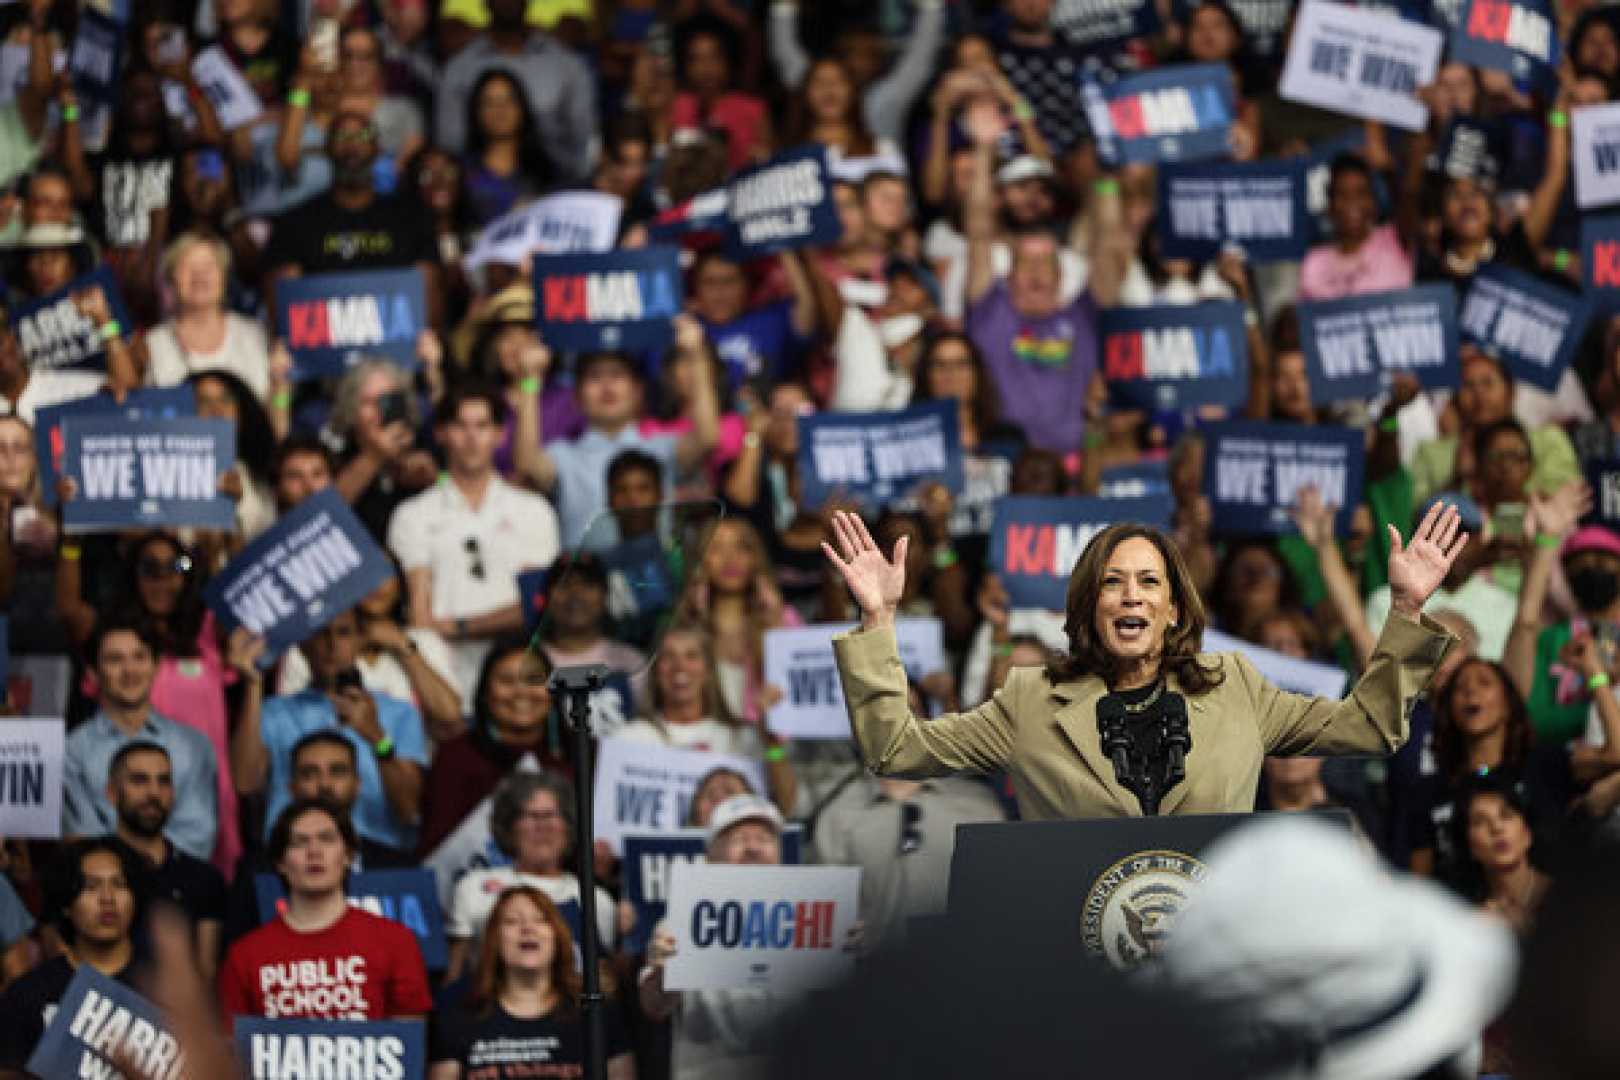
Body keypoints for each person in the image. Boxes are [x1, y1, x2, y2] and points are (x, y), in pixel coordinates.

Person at [823, 506, 1466, 818]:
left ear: (1175, 610)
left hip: (1210, 965)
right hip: (1081, 971)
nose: (1131, 594)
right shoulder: (1029, 699)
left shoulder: (1236, 687)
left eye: (1149, 583)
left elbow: (1372, 727)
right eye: (1112, 582)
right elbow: (895, 751)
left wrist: (1406, 609)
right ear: (1088, 606)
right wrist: (879, 619)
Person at [388, 381, 561, 714]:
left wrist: (459, 626)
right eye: (460, 425)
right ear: (440, 433)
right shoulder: (413, 514)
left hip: (518, 672)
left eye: (482, 426)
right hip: (443, 669)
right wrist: (455, 629)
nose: (471, 438)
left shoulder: (533, 510)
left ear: (500, 434)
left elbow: (535, 606)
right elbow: (421, 618)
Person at [639, 794, 809, 1080]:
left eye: (765, 838)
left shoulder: (815, 914)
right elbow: (655, 1007)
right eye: (739, 838)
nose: (753, 847)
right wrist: (662, 974)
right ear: (711, 853)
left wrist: (856, 961)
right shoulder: (679, 918)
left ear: (780, 851)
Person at [232, 607, 430, 852]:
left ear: (361, 640)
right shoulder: (272, 712)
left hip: (375, 859)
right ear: (302, 643)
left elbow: (409, 809)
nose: (332, 644)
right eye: (320, 632)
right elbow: (245, 783)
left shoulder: (400, 713)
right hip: (291, 856)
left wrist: (376, 736)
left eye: (344, 633)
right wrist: (253, 684)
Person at [218, 800, 433, 1020]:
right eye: (299, 842)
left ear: (348, 856)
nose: (314, 852)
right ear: (280, 863)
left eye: (326, 839)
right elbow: (229, 1048)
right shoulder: (244, 956)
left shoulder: (396, 942)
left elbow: (410, 1043)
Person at [429, 886, 635, 1080]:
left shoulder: (597, 1012)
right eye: (511, 921)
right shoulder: (459, 1013)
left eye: (541, 920)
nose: (527, 928)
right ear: (494, 939)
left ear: (559, 937)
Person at [63, 617, 219, 860]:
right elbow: (83, 839)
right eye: (115, 659)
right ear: (93, 673)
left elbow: (197, 836)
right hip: (106, 889)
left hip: (178, 886)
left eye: (139, 657)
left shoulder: (194, 745)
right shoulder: (73, 751)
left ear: (156, 666)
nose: (129, 670)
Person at [444, 771, 613, 983]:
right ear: (508, 826)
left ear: (569, 825)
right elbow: (455, 975)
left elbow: (606, 980)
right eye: (530, 815)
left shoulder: (596, 899)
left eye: (552, 815)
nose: (542, 826)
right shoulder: (473, 887)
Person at [0, 838, 148, 1070]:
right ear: (66, 904)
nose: (107, 898)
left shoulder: (168, 990)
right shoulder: (28, 996)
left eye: (119, 884)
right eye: (91, 886)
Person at [418, 639, 570, 861]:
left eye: (534, 679)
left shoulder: (582, 753)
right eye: (507, 681)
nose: (521, 691)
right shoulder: (456, 756)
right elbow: (437, 853)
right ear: (485, 693)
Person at [105, 741, 227, 979]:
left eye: (163, 781)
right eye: (139, 780)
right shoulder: (82, 867)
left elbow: (206, 973)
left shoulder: (204, 878)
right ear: (111, 793)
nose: (153, 793)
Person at [433, 0, 597, 177]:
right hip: (474, 188)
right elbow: (449, 147)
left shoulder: (567, 65)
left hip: (555, 185)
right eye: (489, 102)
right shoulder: (459, 68)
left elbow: (584, 142)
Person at [1453, 772, 1550, 934]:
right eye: (1480, 821)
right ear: (1469, 846)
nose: (1497, 828)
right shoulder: (1470, 921)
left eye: (1506, 815)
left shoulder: (1563, 896)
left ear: (1527, 833)